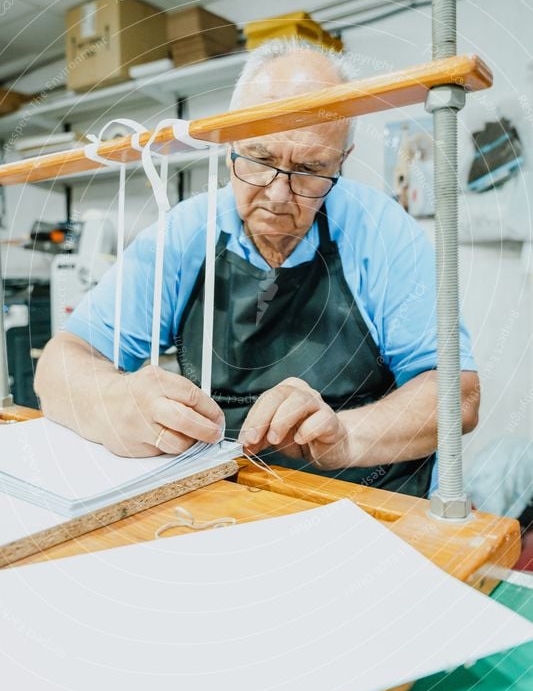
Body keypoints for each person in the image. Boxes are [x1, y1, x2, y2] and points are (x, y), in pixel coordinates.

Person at [35, 39, 480, 498]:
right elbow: (60, 362)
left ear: (342, 161)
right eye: (261, 160)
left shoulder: (382, 232)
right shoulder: (187, 232)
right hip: (228, 494)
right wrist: (114, 401)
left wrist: (345, 436)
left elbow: (458, 395)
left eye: (310, 168)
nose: (278, 194)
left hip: (369, 498)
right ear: (230, 143)